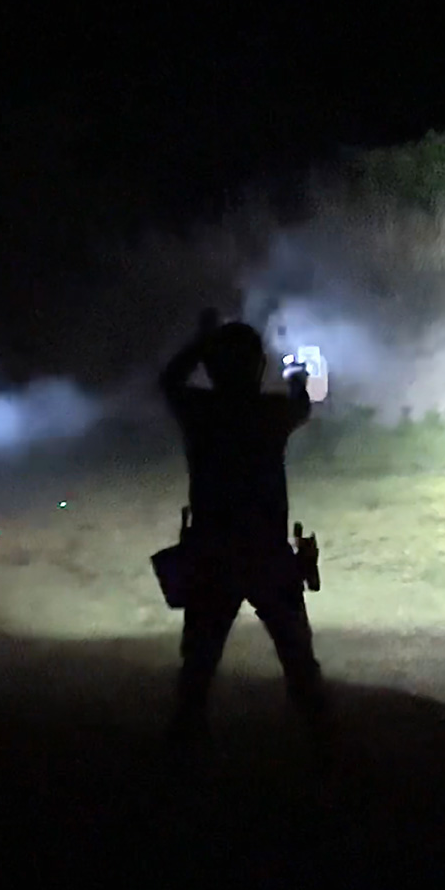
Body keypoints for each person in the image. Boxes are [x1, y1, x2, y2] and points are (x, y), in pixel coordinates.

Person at [160, 311, 326, 742]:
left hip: (213, 553)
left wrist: (202, 340)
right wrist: (297, 374)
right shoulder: (270, 412)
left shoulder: (202, 410)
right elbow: (303, 403)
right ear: (257, 366)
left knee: (199, 663)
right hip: (267, 553)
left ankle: (186, 748)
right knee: (297, 657)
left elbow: (169, 381)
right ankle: (323, 745)